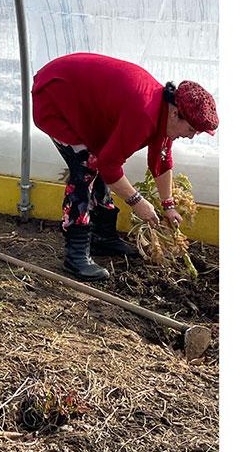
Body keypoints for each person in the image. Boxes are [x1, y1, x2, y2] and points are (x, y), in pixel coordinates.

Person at [31, 52, 218, 281]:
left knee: (97, 158)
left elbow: (161, 159)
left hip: (80, 99)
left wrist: (168, 205)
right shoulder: (144, 114)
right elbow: (109, 166)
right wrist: (137, 202)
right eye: (191, 130)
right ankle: (75, 255)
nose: (190, 137)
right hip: (55, 97)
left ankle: (103, 237)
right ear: (176, 113)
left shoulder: (163, 112)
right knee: (86, 169)